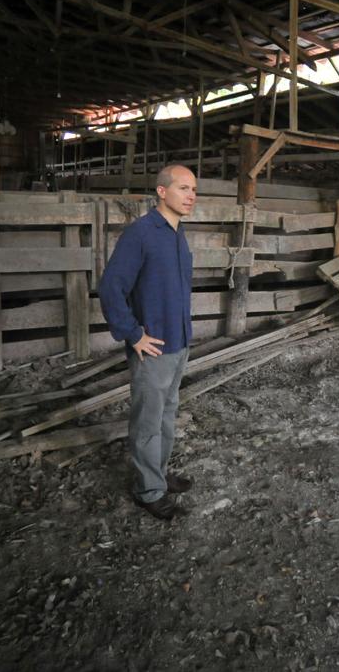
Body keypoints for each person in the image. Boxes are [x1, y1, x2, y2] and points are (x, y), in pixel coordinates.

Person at [97, 164, 198, 520]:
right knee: (147, 422)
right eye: (183, 188)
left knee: (167, 416)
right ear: (161, 191)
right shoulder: (140, 234)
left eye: (193, 190)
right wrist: (133, 333)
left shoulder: (176, 233)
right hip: (153, 346)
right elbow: (110, 287)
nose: (191, 196)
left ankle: (159, 473)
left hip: (179, 342)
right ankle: (148, 491)